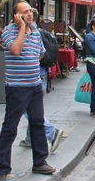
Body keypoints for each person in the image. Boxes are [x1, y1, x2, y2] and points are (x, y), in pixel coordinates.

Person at [0, 2, 55, 179]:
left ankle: (40, 162)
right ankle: (3, 169)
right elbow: (15, 50)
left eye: (31, 11)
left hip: (35, 85)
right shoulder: (8, 31)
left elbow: (41, 53)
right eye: (25, 12)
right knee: (10, 127)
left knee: (37, 123)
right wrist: (22, 28)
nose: (30, 14)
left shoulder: (36, 31)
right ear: (17, 16)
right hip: (17, 87)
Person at [20, 10, 64, 153]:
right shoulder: (41, 32)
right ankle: (29, 139)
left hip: (33, 75)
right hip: (43, 74)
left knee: (28, 110)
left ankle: (52, 132)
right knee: (34, 108)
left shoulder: (31, 34)